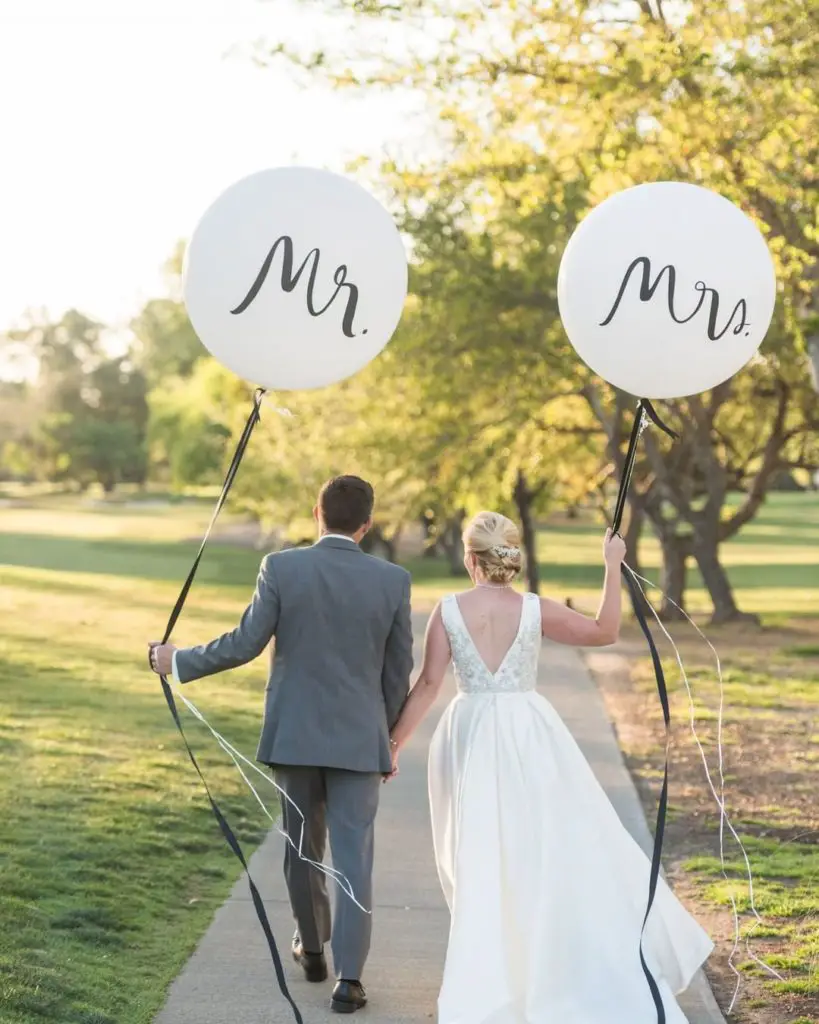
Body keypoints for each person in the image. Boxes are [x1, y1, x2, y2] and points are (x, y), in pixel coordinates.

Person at [388, 511, 713, 1024]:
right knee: (539, 847)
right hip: (528, 731)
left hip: (469, 731)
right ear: (511, 557)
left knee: (477, 853)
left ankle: (491, 973)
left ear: (471, 558)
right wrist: (613, 565)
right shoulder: (536, 609)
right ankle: (528, 964)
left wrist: (394, 745)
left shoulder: (447, 611)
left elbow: (428, 685)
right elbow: (606, 631)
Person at [148, 475, 413, 1015]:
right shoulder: (394, 580)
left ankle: (313, 950)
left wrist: (177, 661)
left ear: (317, 513)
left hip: (294, 737)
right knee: (354, 857)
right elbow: (397, 671)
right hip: (361, 742)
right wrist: (387, 738)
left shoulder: (282, 567)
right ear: (367, 524)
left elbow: (246, 643)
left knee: (301, 848)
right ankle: (349, 982)